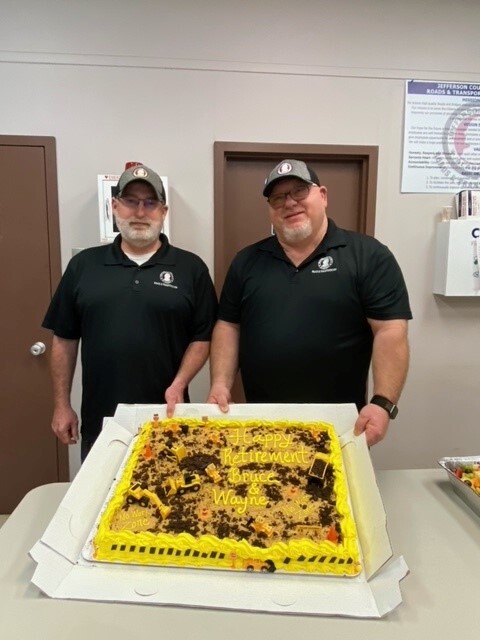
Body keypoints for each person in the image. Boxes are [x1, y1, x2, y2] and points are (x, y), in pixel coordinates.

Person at [207, 159, 411, 446]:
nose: (289, 203)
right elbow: (229, 326)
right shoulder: (247, 262)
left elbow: (390, 331)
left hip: (340, 426)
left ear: (323, 196)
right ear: (270, 209)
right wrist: (219, 384)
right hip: (261, 422)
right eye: (278, 197)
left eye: (300, 191)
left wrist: (382, 403)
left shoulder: (369, 256)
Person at [43, 164, 218, 460]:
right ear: (114, 207)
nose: (140, 212)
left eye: (150, 203)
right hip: (103, 420)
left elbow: (202, 338)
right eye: (130, 201)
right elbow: (64, 339)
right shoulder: (84, 266)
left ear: (163, 212)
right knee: (103, 501)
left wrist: (179, 383)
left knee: (169, 500)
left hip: (168, 416)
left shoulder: (192, 268)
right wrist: (62, 404)